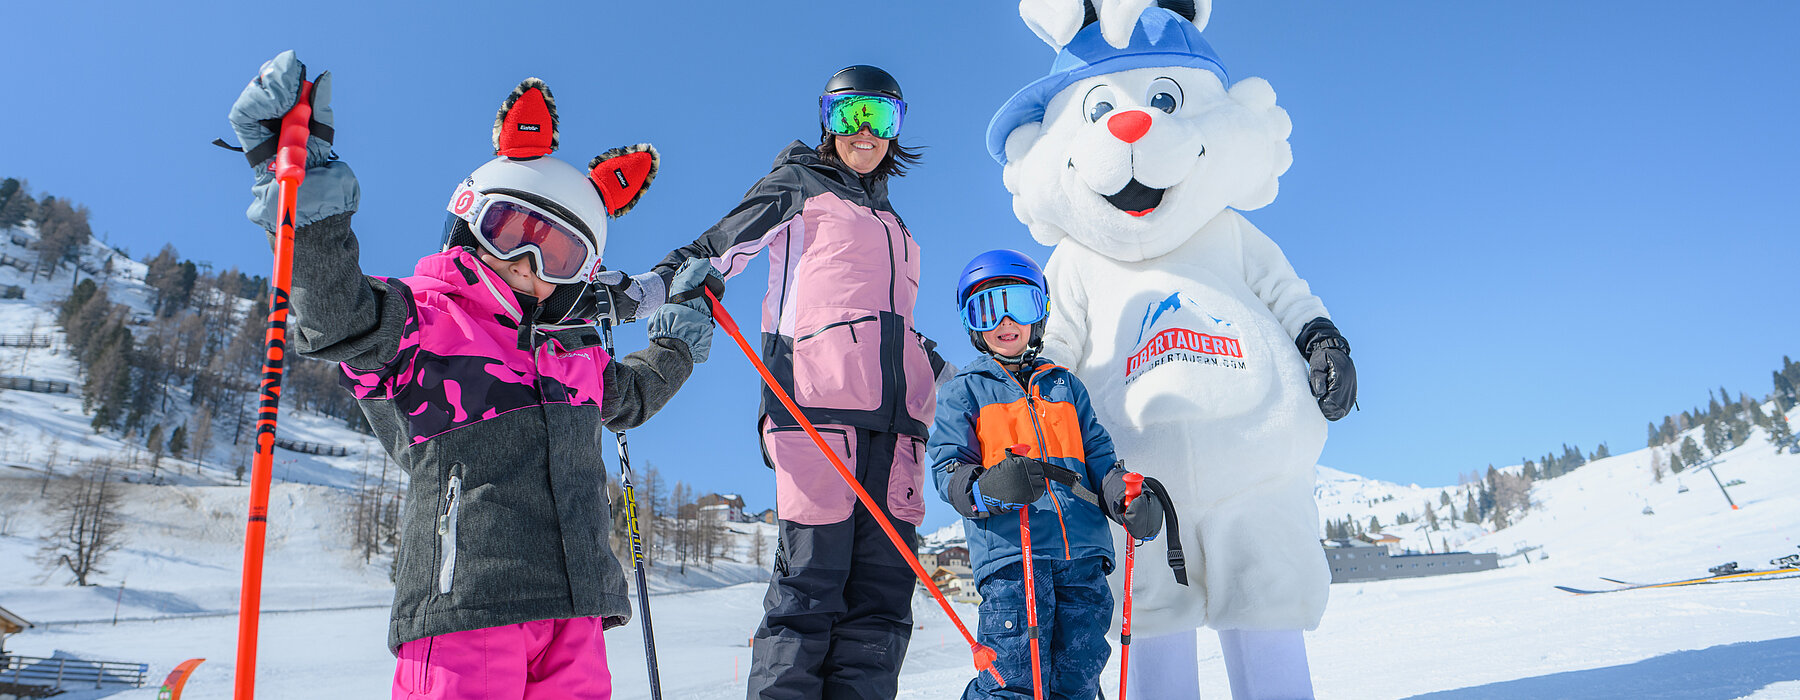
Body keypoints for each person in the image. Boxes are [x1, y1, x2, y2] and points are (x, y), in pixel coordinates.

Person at [226, 53, 722, 699]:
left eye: (559, 253)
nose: (528, 260)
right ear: (470, 220)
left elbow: (632, 397)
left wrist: (677, 340)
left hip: (578, 610)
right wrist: (309, 200)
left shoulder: (576, 356)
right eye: (511, 230)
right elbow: (335, 317)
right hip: (467, 601)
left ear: (580, 274)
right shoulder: (424, 320)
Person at [609, 64, 946, 700]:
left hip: (901, 433)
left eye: (882, 117)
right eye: (850, 115)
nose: (865, 131)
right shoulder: (800, 185)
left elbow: (886, 322)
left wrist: (934, 368)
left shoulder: (897, 223)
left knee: (881, 605)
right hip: (818, 416)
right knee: (810, 592)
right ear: (828, 123)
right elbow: (711, 250)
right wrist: (644, 296)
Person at [929, 250, 1165, 700]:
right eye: (986, 308)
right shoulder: (965, 391)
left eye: (1018, 303)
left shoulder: (1065, 385)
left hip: (1084, 559)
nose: (1005, 320)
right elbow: (948, 470)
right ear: (970, 321)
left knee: (1078, 679)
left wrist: (1123, 498)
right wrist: (988, 488)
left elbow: (1098, 455)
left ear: (1040, 313)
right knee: (1014, 679)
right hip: (1014, 558)